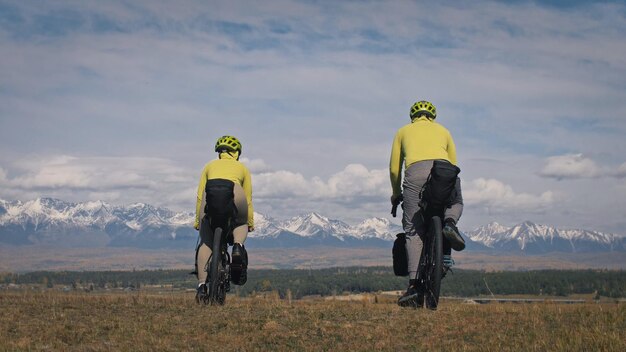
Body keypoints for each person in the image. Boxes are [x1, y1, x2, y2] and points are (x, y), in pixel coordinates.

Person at [389, 100, 465, 308]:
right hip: (444, 171)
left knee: (414, 230)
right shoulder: (444, 131)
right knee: (455, 201)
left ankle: (414, 286)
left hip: (415, 173)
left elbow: (395, 169)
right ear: (433, 116)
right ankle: (449, 223)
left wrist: (396, 194)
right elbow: (454, 164)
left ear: (413, 116)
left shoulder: (403, 132)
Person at [194, 135, 254, 302]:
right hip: (236, 191)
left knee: (206, 241)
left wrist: (198, 221)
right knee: (240, 223)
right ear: (236, 153)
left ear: (219, 152)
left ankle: (201, 286)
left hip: (210, 193)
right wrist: (250, 222)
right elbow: (248, 198)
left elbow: (200, 196)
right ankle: (237, 246)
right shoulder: (242, 168)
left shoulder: (208, 166)